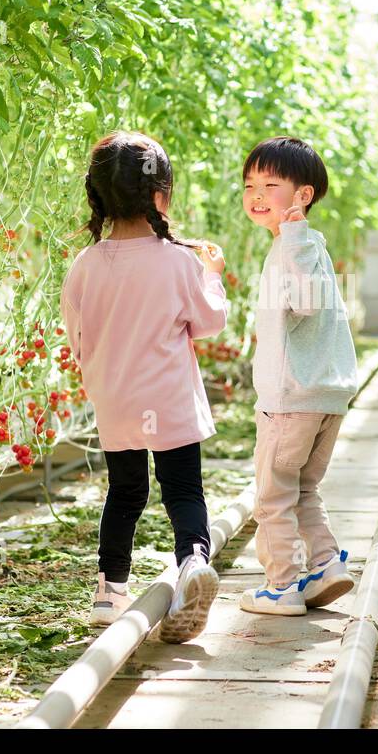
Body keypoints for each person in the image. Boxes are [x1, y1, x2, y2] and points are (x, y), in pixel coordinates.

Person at [59, 130, 228, 643]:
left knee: (125, 492)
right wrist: (212, 274)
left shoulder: (84, 266)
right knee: (182, 489)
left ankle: (109, 591)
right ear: (161, 194)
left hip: (116, 399)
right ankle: (193, 561)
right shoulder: (180, 261)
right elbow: (209, 322)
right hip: (168, 397)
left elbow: (77, 336)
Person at [239, 136, 358, 616]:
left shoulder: (295, 243)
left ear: (303, 195)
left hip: (291, 400)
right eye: (250, 185)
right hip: (324, 398)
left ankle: (282, 585)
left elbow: (304, 303)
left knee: (271, 498)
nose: (258, 195)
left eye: (271, 183)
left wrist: (290, 238)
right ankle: (327, 564)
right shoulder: (309, 245)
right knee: (303, 489)